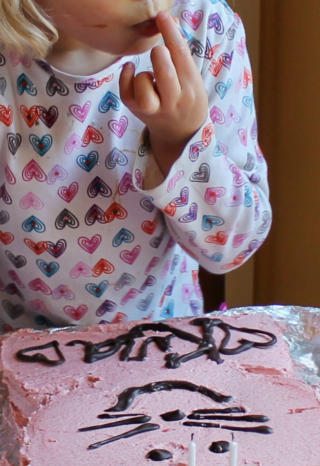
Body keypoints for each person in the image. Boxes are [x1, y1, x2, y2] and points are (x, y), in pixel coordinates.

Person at [0, 0, 269, 331]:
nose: (156, 3)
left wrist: (180, 141)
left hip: (160, 345)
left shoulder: (205, 29)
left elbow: (230, 246)